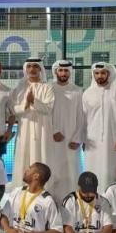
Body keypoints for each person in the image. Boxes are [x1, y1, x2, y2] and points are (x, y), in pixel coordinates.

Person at [82, 62, 116, 192]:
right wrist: (83, 138)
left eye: (103, 73)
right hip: (92, 141)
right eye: (97, 73)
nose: (100, 76)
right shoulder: (87, 93)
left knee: (112, 170)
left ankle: (112, 196)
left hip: (113, 139)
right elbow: (84, 118)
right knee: (93, 169)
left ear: (110, 74)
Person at [9, 59, 54, 188]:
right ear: (25, 69)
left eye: (35, 66)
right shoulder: (19, 89)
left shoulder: (47, 87)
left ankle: (42, 188)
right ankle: (21, 188)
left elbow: (49, 108)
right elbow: (13, 109)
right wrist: (26, 104)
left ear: (40, 69)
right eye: (29, 66)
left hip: (42, 130)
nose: (32, 69)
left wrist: (34, 101)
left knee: (41, 156)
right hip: (24, 130)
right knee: (23, 157)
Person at [49, 60, 84, 203]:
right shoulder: (49, 89)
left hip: (71, 139)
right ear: (55, 72)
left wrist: (77, 138)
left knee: (71, 169)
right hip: (52, 139)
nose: (63, 73)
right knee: (53, 168)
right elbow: (46, 113)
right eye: (60, 70)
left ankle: (72, 200)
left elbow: (81, 116)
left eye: (66, 71)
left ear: (70, 72)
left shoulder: (77, 91)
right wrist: (54, 131)